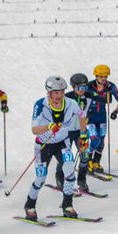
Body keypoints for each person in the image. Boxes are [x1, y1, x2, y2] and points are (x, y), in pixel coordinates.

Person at [22, 75, 84, 222]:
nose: (60, 95)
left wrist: (83, 136)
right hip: (43, 145)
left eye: (62, 92)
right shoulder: (40, 105)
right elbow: (34, 130)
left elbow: (82, 116)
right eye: (56, 92)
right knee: (41, 178)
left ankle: (67, 205)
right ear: (48, 93)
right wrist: (48, 127)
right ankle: (29, 205)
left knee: (70, 173)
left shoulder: (71, 103)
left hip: (62, 142)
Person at [80, 64, 118, 182]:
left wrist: (115, 112)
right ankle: (87, 161)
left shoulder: (110, 86)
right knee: (94, 139)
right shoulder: (88, 86)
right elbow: (80, 99)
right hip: (91, 117)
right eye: (100, 76)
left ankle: (96, 162)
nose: (103, 78)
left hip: (102, 116)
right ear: (96, 76)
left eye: (105, 76)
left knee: (101, 141)